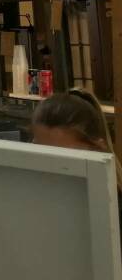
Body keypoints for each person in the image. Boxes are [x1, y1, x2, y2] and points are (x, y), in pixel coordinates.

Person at [31, 89, 122, 232]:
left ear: (97, 150)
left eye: (64, 160)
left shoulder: (113, 209)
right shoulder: (29, 193)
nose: (49, 170)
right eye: (40, 155)